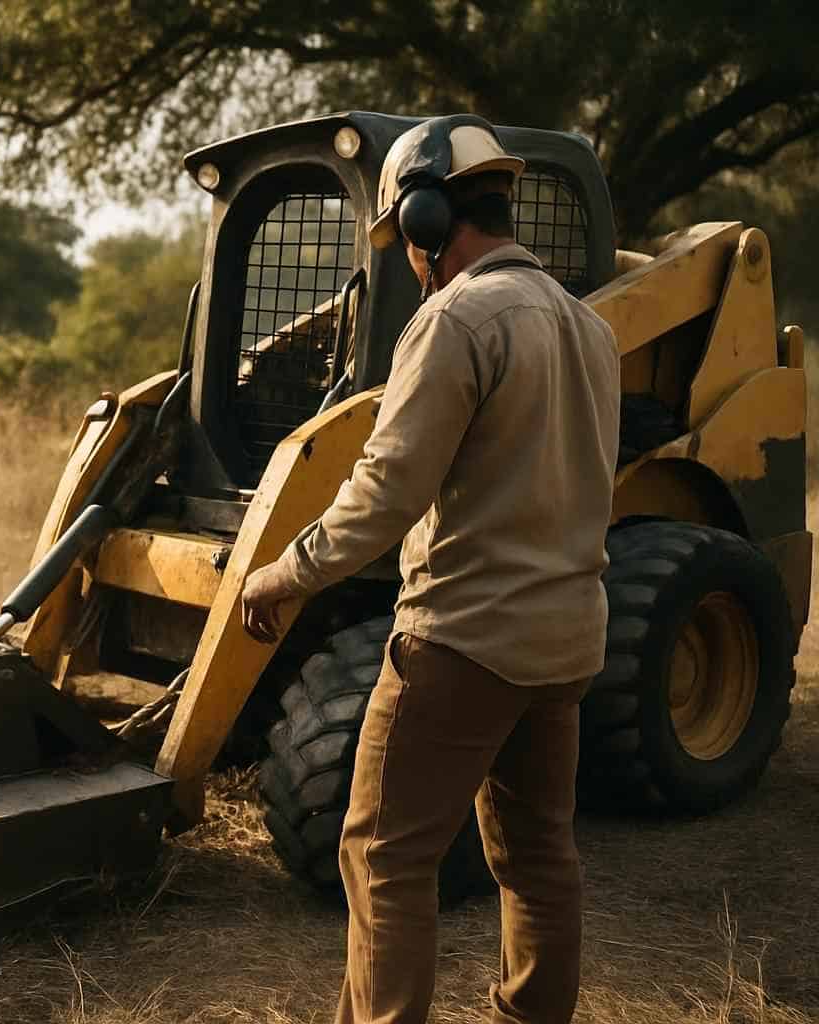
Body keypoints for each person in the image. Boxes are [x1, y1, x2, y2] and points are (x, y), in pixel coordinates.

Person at [240, 116, 620, 1024]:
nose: (409, 259)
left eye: (405, 237)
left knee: (383, 855)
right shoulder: (589, 328)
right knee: (538, 858)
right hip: (566, 641)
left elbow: (385, 491)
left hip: (463, 641)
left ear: (426, 218)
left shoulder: (454, 320)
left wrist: (283, 575)